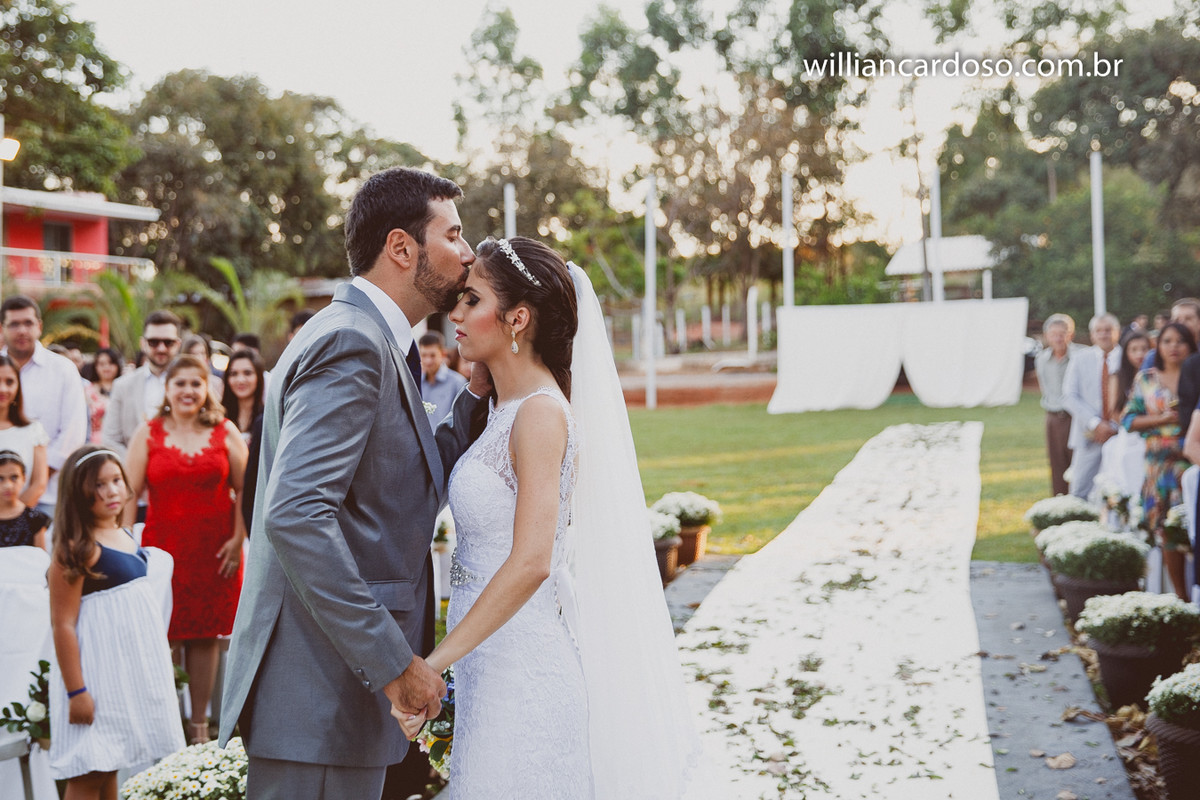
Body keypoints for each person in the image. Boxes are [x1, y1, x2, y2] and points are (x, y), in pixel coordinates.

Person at [398, 237, 707, 798]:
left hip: (524, 676)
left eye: (472, 300)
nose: (455, 314)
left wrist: (433, 665)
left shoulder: (540, 414)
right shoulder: (503, 409)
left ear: (518, 318)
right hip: (488, 667)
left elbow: (533, 561)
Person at [220, 166, 484, 800]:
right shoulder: (351, 342)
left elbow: (401, 484)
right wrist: (393, 663)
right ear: (401, 248)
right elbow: (297, 515)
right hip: (320, 692)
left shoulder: (373, 338)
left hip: (332, 696)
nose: (468, 253)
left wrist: (478, 392)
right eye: (453, 235)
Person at [124, 354, 249, 744]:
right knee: (165, 634)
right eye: (180, 383)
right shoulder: (148, 433)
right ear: (167, 388)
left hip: (216, 551)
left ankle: (198, 727)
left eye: (196, 383)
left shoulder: (225, 431)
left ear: (207, 388)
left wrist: (237, 539)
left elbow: (246, 488)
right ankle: (166, 727)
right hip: (163, 551)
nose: (188, 391)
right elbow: (129, 493)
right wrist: (126, 545)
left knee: (206, 635)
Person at [46, 445, 185, 798]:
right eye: (99, 484)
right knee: (90, 772)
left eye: (116, 480)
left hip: (123, 677)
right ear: (78, 491)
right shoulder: (76, 550)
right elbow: (63, 625)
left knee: (110, 765)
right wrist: (77, 692)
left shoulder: (127, 537)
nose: (111, 491)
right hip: (94, 679)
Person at [1121, 322, 1197, 600]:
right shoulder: (1147, 379)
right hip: (1160, 462)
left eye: (1180, 341)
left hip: (1191, 459)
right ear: (1159, 346)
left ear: (1190, 345)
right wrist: (1160, 419)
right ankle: (1180, 596)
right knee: (1168, 527)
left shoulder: (1196, 373)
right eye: (1167, 341)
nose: (1174, 346)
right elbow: (1128, 419)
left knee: (1192, 523)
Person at [0, 296, 88, 520]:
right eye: (14, 324)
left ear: (39, 326)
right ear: (2, 328)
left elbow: (73, 433)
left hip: (49, 495)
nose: (22, 330)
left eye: (28, 323)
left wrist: (36, 482)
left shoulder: (63, 369)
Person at [101, 310, 183, 457]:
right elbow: (110, 439)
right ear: (143, 343)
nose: (161, 348)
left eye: (168, 342)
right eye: (154, 342)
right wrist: (137, 465)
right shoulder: (123, 386)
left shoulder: (195, 385)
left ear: (177, 344)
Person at [1062, 313, 1122, 499]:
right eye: (1098, 331)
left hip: (1121, 433)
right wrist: (1096, 424)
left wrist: (1113, 426)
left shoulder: (1126, 357)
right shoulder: (1080, 358)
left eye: (1108, 330)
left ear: (1117, 332)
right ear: (1092, 335)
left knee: (1121, 487)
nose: (1103, 335)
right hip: (1089, 434)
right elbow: (1069, 396)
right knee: (1080, 489)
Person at [222, 348, 266, 536]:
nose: (240, 380)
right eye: (234, 374)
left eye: (247, 373)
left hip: (254, 509)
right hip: (221, 509)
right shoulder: (218, 419)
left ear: (258, 377)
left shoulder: (267, 420)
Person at [1034, 314, 1079, 495]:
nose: (1058, 338)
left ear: (1071, 334)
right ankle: (1060, 500)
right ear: (1047, 336)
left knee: (1078, 462)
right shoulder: (1042, 359)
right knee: (1057, 463)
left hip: (1076, 417)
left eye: (1062, 333)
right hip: (1053, 417)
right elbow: (1045, 388)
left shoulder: (1080, 356)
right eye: (1053, 334)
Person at [0, 354, 49, 511]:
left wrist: (11, 517)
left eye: (9, 382)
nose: (3, 389)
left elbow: (38, 484)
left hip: (20, 519)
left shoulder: (33, 430)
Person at [0, 450, 50, 549]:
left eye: (14, 477)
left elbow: (41, 556)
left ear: (24, 478)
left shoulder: (35, 519)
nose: (8, 485)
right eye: (0, 479)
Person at [418, 330, 467, 419]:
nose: (428, 361)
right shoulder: (416, 383)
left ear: (443, 354)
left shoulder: (458, 383)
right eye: (424, 355)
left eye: (432, 355)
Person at [82, 347, 122, 445]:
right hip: (95, 443)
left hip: (121, 441)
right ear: (95, 366)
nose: (107, 367)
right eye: (102, 364)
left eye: (111, 363)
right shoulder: (88, 390)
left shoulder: (125, 388)